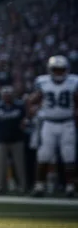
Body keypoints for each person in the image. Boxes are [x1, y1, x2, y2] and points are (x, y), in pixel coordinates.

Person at [28, 55, 78, 197]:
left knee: (69, 155)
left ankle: (70, 187)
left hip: (67, 123)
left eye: (61, 70)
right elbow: (33, 100)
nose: (58, 73)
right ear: (50, 70)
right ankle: (39, 186)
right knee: (44, 154)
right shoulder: (42, 82)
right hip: (48, 123)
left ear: (67, 69)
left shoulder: (73, 82)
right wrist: (31, 110)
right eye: (55, 70)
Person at [0, 85, 27, 193]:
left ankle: (23, 186)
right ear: (2, 96)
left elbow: (24, 120)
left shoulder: (19, 106)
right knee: (1, 165)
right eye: (5, 95)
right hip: (2, 139)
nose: (7, 97)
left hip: (17, 139)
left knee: (19, 165)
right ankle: (0, 187)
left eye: (8, 95)